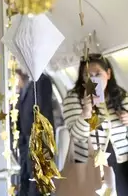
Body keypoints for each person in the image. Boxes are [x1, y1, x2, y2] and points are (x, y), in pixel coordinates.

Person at [62, 54, 128, 194]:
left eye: (98, 74)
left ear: (108, 74)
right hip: (90, 163)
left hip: (122, 161)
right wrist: (85, 113)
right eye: (87, 75)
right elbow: (77, 136)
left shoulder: (121, 96)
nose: (93, 79)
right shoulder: (73, 99)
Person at [15, 68, 55, 196]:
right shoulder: (27, 84)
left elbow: (43, 111)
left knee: (38, 182)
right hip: (26, 140)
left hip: (38, 140)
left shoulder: (43, 81)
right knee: (26, 177)